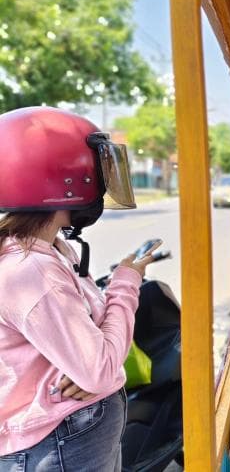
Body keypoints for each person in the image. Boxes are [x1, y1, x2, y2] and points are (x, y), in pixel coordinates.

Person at [0, 107, 160, 471]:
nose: (102, 185)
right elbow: (100, 368)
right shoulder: (30, 271)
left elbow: (91, 349)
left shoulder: (51, 248)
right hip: (57, 446)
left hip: (71, 438)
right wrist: (126, 281)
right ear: (64, 179)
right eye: (98, 173)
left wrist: (92, 367)